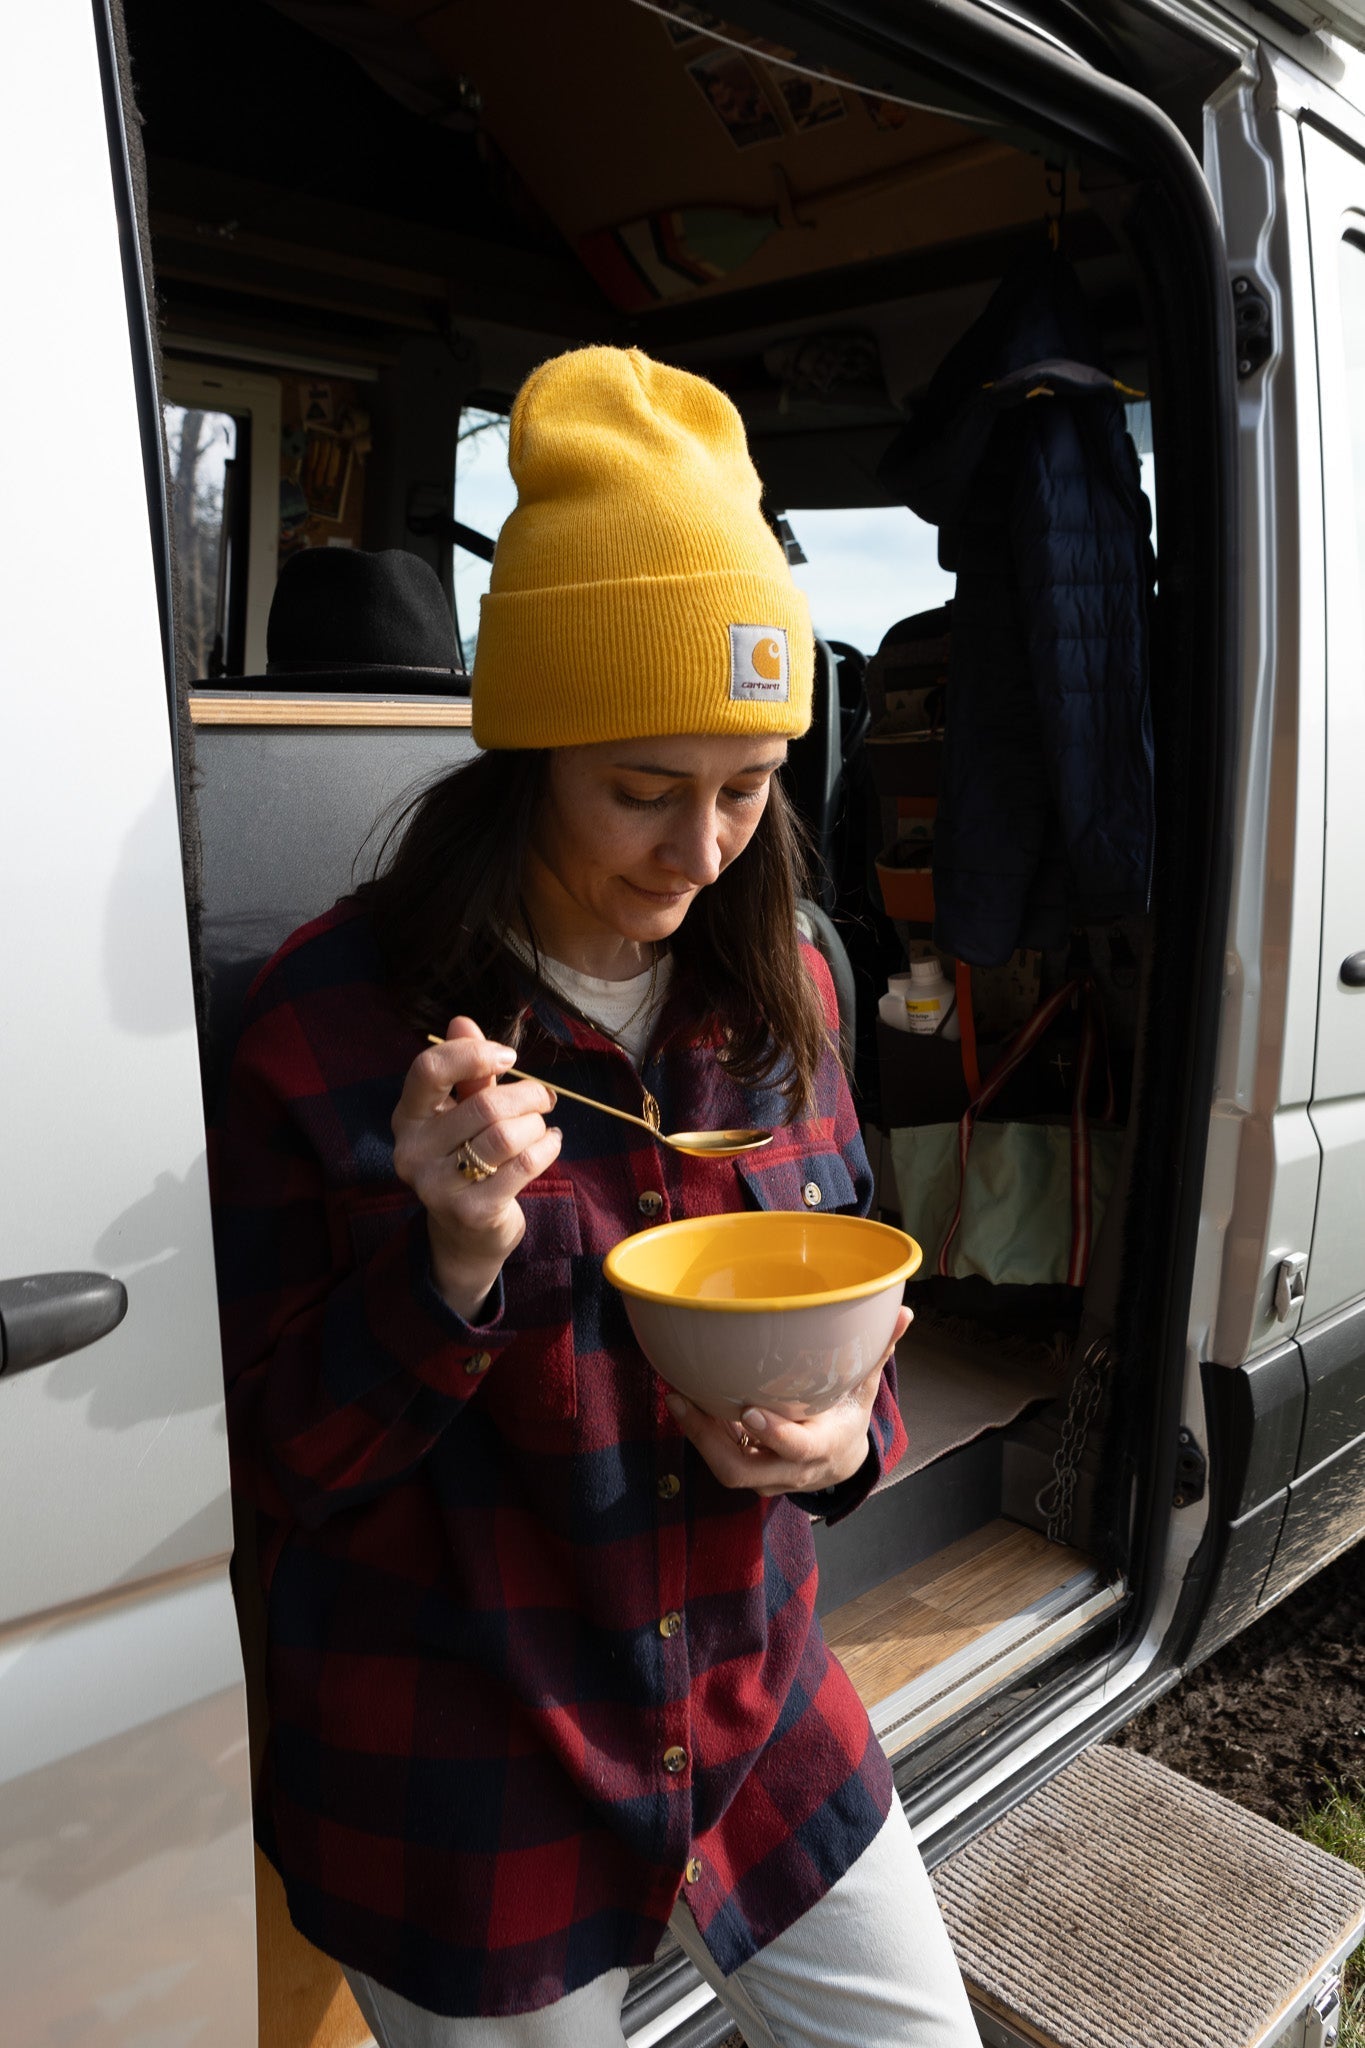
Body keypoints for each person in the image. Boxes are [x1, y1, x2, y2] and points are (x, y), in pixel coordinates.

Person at [212, 345, 976, 2047]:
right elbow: (280, 1464)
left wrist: (853, 1442)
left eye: (745, 786)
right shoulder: (334, 1023)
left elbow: (842, 1303)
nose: (697, 849)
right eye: (639, 789)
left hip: (748, 1696)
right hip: (462, 1758)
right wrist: (450, 1261)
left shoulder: (786, 981)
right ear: (529, 754)